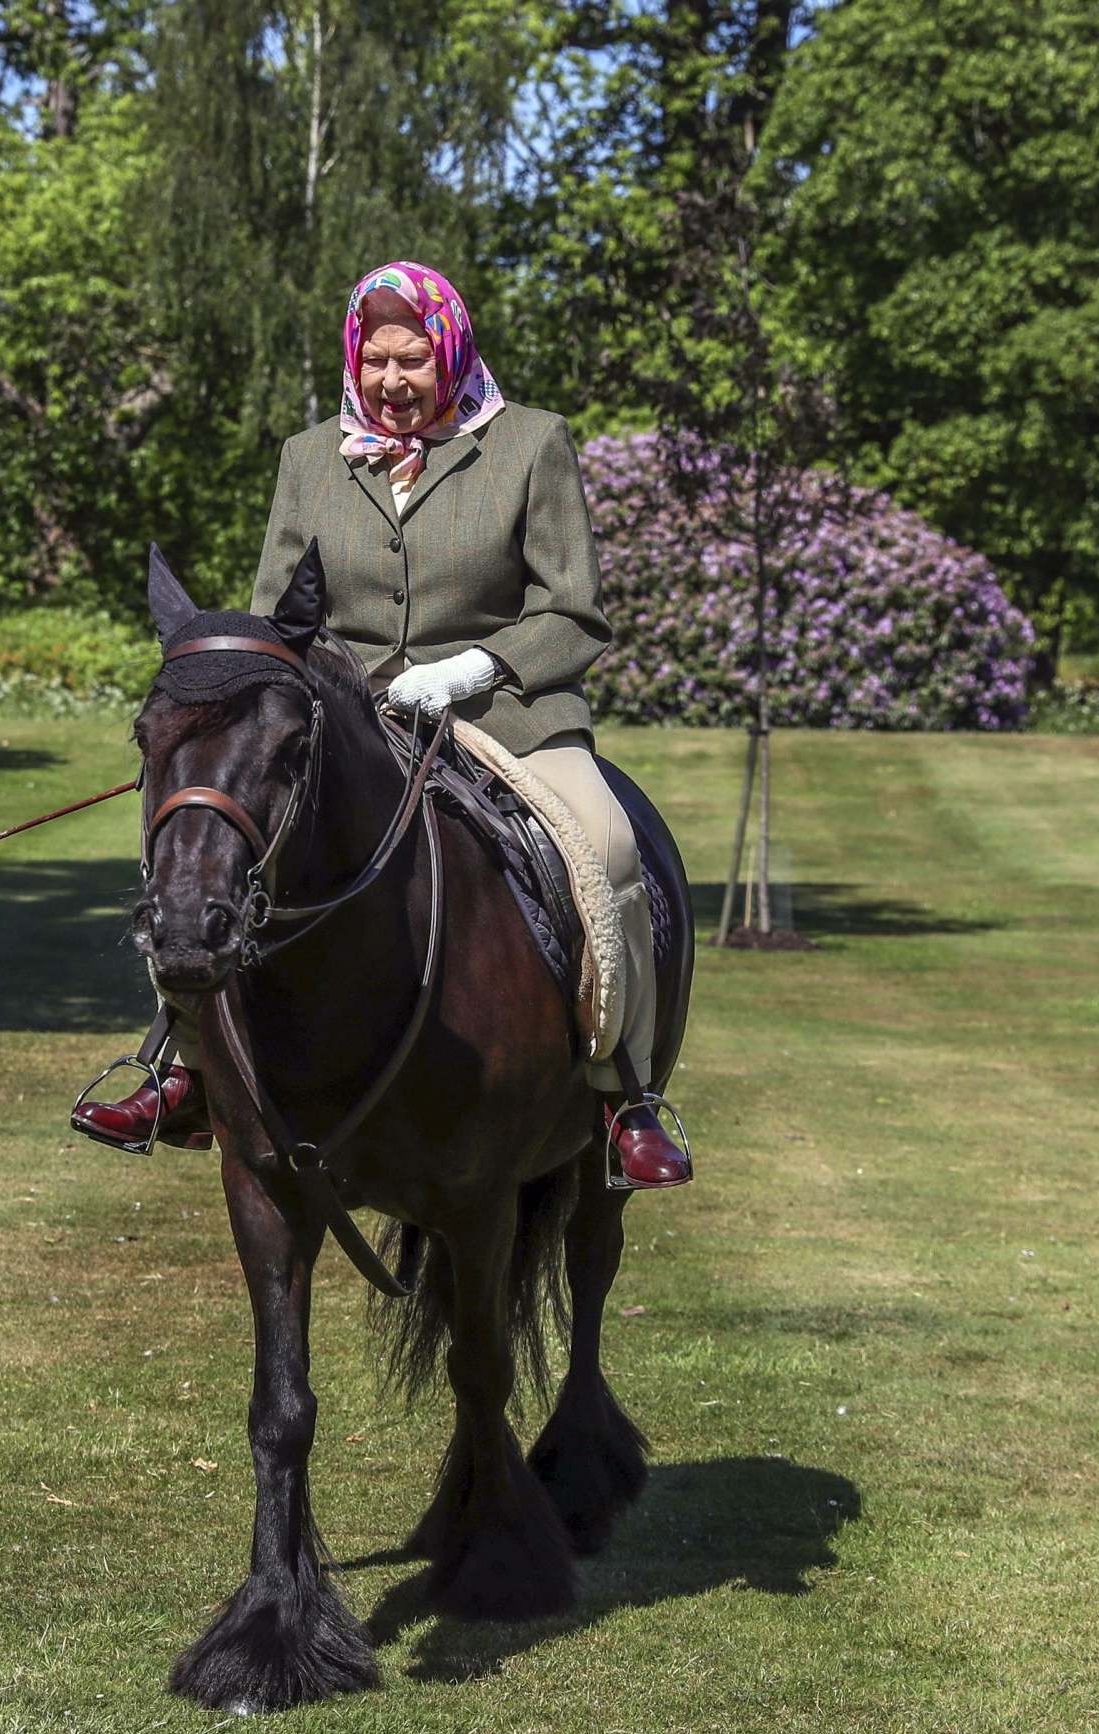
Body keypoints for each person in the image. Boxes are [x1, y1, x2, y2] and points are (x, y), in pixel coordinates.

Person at [76, 259, 689, 1188]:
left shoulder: (529, 444)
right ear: (353, 361)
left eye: (413, 360)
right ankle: (183, 1067)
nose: (394, 382)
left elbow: (573, 611)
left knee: (605, 844)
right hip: (344, 715)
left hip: (505, 710)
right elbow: (277, 617)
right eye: (377, 361)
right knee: (212, 846)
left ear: (449, 352)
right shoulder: (307, 456)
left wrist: (471, 669)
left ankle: (623, 1092)